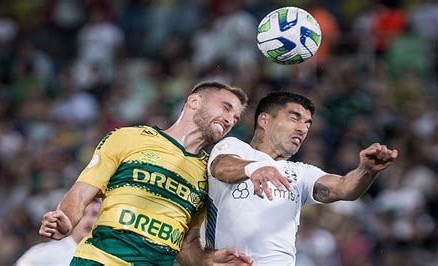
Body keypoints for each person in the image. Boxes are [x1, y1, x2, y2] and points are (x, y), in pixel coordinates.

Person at [39, 81, 252, 265]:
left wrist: (207, 260)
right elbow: (80, 193)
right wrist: (66, 218)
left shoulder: (209, 174)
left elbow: (186, 245)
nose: (230, 120)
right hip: (101, 259)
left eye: (235, 118)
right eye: (226, 108)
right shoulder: (130, 138)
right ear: (194, 101)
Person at [206, 91, 398, 265]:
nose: (302, 129)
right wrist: (254, 168)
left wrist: (367, 170)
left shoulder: (300, 172)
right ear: (264, 120)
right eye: (294, 118)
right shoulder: (236, 148)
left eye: (307, 123)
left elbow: (344, 188)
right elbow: (221, 167)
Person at [16, 199, 101, 266]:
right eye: (82, 214)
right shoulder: (49, 252)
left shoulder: (107, 253)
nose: (88, 221)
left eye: (94, 214)